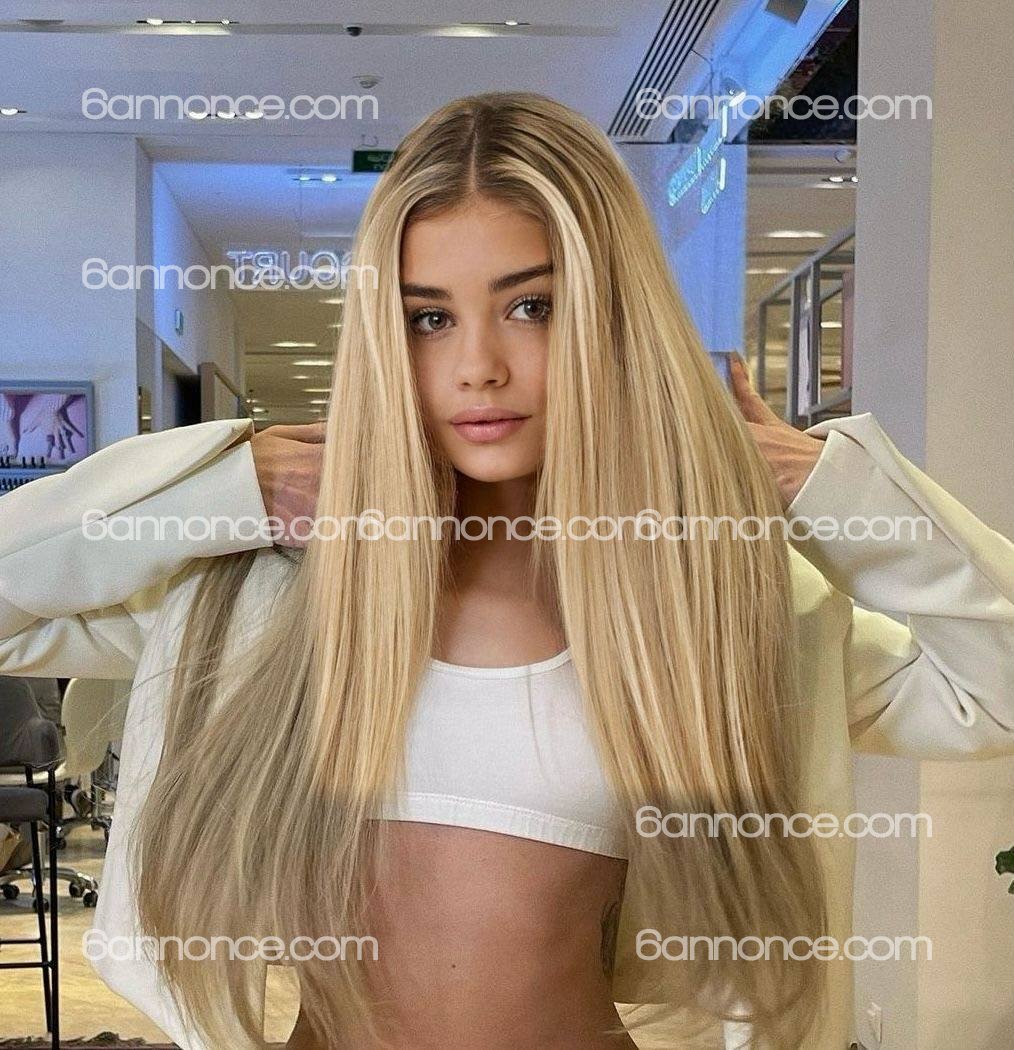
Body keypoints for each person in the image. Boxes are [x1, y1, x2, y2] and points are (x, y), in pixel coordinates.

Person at [0, 92, 1011, 1050]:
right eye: (429, 317)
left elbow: (992, 690)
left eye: (531, 306)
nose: (478, 364)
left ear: (614, 320)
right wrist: (223, 487)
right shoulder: (267, 592)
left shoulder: (702, 602)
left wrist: (829, 485)